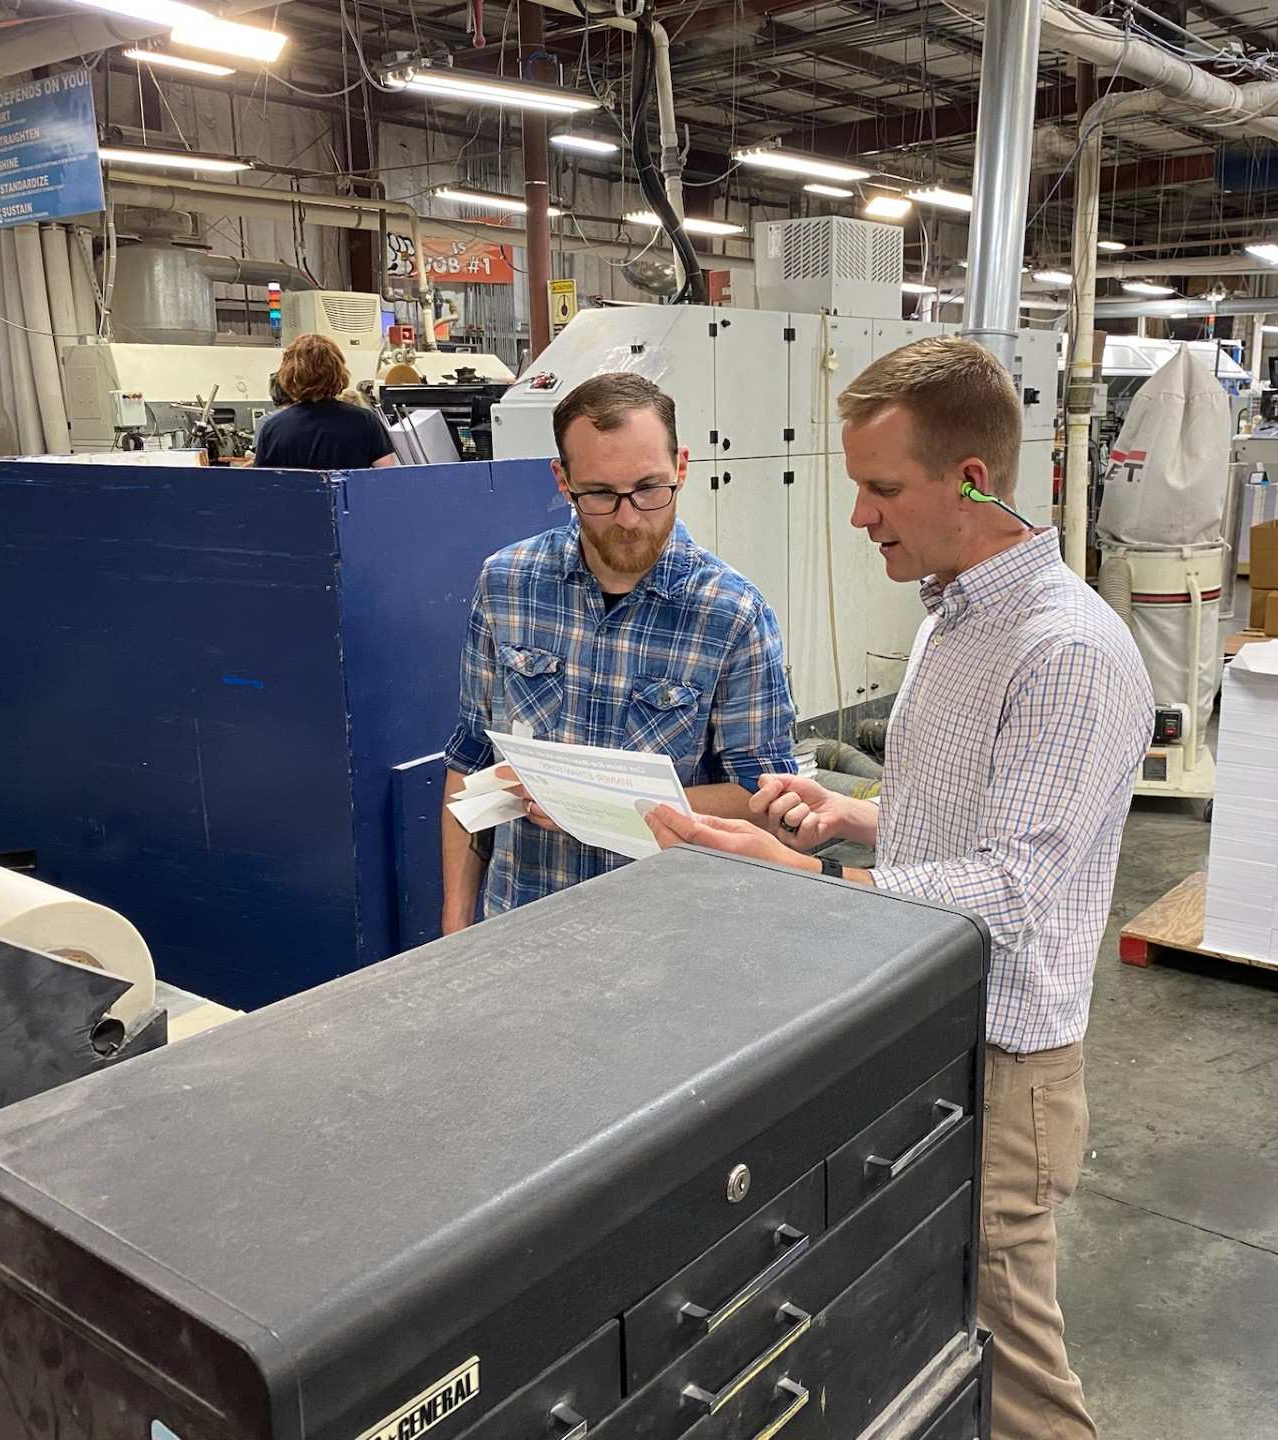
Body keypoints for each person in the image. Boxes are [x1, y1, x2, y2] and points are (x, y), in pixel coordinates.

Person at [644, 337, 1151, 1440]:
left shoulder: (1062, 650)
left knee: (1016, 1369)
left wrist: (805, 882)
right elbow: (968, 826)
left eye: (881, 489)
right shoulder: (954, 613)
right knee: (922, 1334)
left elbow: (1015, 891)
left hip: (1002, 1064)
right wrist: (845, 821)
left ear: (972, 481)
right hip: (928, 1039)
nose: (861, 518)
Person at [441, 371, 798, 929]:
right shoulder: (507, 585)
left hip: (665, 937)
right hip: (523, 923)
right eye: (602, 494)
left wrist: (596, 800)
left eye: (651, 488)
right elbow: (469, 763)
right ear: (563, 480)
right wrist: (455, 926)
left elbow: (768, 803)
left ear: (681, 468)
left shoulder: (731, 614)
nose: (630, 517)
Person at [253, 334, 398, 469]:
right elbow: (387, 479)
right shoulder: (365, 422)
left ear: (291, 375)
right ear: (338, 370)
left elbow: (262, 487)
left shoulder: (273, 429)